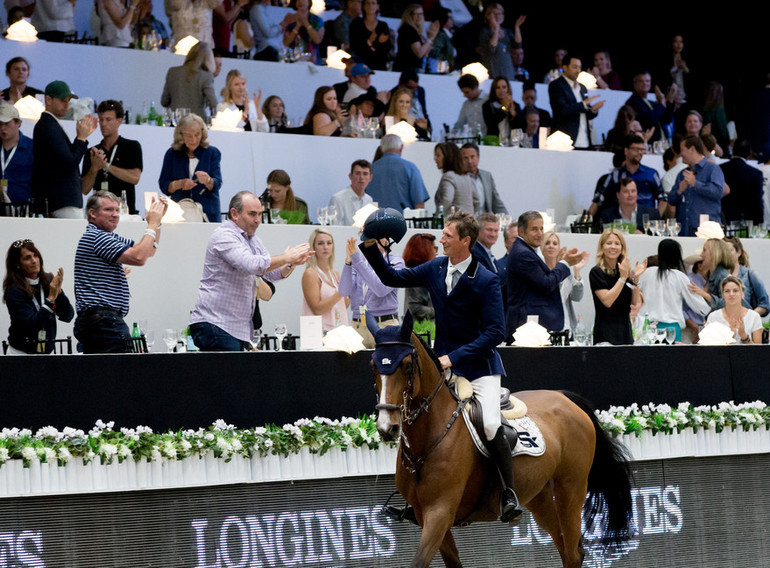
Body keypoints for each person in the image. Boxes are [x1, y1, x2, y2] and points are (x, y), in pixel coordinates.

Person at [360, 210, 521, 523]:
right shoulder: (436, 267)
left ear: (465, 240)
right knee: (419, 416)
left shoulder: (487, 280)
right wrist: (370, 246)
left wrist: (453, 357)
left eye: (448, 234)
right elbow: (392, 277)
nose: (442, 238)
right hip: (443, 366)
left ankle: (508, 493)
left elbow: (495, 333)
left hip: (480, 368)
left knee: (489, 423)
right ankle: (418, 495)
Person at [189, 191, 312, 351]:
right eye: (252, 214)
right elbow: (251, 265)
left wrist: (291, 263)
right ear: (234, 213)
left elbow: (268, 273)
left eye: (260, 214)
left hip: (234, 328)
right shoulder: (224, 235)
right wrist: (286, 257)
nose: (257, 220)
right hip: (216, 324)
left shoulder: (252, 239)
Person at [73, 191, 168, 353]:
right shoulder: (98, 237)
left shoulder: (105, 236)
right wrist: (151, 224)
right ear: (93, 213)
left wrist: (156, 224)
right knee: (120, 375)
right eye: (109, 210)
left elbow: (148, 250)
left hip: (100, 321)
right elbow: (139, 258)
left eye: (117, 210)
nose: (115, 215)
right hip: (104, 322)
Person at [507, 211, 589, 335]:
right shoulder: (523, 253)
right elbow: (546, 284)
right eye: (534, 229)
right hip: (526, 326)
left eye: (541, 229)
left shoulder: (527, 250)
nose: (540, 233)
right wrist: (565, 263)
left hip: (535, 324)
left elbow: (576, 296)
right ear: (522, 232)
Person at [31, 81, 98, 218]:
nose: (67, 105)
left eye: (68, 101)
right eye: (63, 100)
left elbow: (65, 160)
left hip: (61, 199)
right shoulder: (49, 125)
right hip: (63, 200)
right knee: (74, 238)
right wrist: (81, 139)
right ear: (48, 100)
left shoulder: (50, 124)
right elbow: (69, 163)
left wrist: (80, 139)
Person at [3, 239, 73, 354]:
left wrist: (59, 293)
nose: (34, 261)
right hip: (21, 354)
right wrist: (50, 300)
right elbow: (31, 326)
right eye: (27, 258)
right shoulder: (14, 290)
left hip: (46, 354)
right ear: (17, 264)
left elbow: (68, 316)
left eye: (36, 256)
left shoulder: (48, 281)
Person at [637, 239, 710, 342]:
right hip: (672, 330)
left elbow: (635, 294)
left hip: (649, 328)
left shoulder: (646, 273)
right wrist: (707, 306)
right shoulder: (679, 277)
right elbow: (700, 306)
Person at [81, 100, 143, 215]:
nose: (103, 124)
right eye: (101, 119)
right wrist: (94, 168)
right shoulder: (92, 152)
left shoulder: (132, 146)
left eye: (108, 119)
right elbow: (84, 190)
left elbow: (135, 178)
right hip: (98, 213)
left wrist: (106, 166)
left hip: (124, 212)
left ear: (119, 121)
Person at [158, 113, 222, 223]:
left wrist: (208, 180)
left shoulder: (212, 153)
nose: (193, 140)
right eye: (189, 136)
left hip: (207, 214)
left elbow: (217, 183)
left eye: (197, 135)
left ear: (203, 133)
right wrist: (179, 184)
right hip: (180, 215)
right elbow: (164, 185)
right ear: (181, 135)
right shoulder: (172, 154)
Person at [340, 235, 402, 348]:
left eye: (379, 235)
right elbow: (344, 291)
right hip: (358, 326)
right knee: (357, 365)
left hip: (385, 325)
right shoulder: (359, 262)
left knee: (386, 364)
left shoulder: (395, 262)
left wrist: (357, 260)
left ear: (386, 240)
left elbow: (380, 289)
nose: (375, 240)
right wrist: (349, 262)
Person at [589, 228, 643, 345]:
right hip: (605, 335)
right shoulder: (596, 272)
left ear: (622, 248)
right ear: (602, 247)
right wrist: (622, 278)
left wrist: (635, 279)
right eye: (609, 243)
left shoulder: (624, 271)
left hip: (625, 333)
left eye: (617, 244)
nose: (613, 247)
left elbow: (634, 302)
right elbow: (607, 301)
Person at [667, 135, 725, 237]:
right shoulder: (682, 174)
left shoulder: (713, 169)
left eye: (682, 150)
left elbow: (718, 192)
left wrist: (695, 184)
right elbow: (671, 200)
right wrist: (679, 191)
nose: (680, 154)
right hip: (684, 231)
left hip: (707, 232)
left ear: (692, 149)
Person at [548, 53, 604, 148]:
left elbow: (586, 112)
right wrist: (583, 105)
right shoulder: (556, 85)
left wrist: (593, 110)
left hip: (585, 141)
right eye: (574, 67)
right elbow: (561, 110)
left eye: (580, 67)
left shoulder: (582, 88)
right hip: (565, 142)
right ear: (565, 67)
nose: (578, 71)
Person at [365, 134, 429, 213]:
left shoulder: (370, 170)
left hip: (376, 220)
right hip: (403, 221)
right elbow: (419, 203)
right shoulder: (410, 168)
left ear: (381, 148)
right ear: (401, 147)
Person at [709, 236, 770, 317]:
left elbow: (765, 304)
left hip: (746, 325)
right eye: (724, 251)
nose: (727, 254)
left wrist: (749, 317)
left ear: (739, 252)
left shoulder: (750, 275)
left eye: (730, 250)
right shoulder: (718, 275)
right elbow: (712, 302)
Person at [541, 231, 588, 335]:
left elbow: (577, 296)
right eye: (547, 243)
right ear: (541, 247)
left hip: (566, 329)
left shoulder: (564, 271)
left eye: (555, 243)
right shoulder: (538, 272)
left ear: (558, 249)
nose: (551, 246)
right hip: (543, 329)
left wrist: (577, 271)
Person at [302, 228, 349, 332]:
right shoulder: (310, 273)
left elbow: (343, 305)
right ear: (313, 247)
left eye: (329, 243)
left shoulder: (334, 273)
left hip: (339, 330)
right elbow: (317, 309)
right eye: (320, 243)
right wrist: (341, 292)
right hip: (320, 334)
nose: (325, 247)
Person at [160, 41, 218, 120]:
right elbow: (213, 103)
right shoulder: (206, 76)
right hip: (197, 123)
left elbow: (164, 101)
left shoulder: (173, 72)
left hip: (176, 122)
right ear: (209, 59)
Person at [705, 275, 762, 344]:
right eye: (727, 291)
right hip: (722, 355)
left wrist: (744, 337)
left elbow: (758, 351)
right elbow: (708, 349)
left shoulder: (754, 317)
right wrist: (730, 337)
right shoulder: (713, 317)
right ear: (723, 294)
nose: (731, 294)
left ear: (742, 293)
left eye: (735, 291)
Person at [400, 232, 436, 340]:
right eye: (434, 248)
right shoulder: (418, 277)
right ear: (425, 251)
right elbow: (415, 308)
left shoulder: (419, 274)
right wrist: (440, 309)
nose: (436, 252)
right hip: (421, 333)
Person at [720, 138, 764, 224]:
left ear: (733, 150)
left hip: (723, 216)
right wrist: (759, 222)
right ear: (749, 153)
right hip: (746, 219)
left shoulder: (720, 169)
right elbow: (757, 201)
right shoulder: (755, 173)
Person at [624, 70, 676, 143]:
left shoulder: (651, 103)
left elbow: (666, 120)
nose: (645, 83)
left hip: (661, 143)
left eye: (647, 81)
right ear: (635, 84)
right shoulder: (632, 101)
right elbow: (650, 119)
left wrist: (670, 101)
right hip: (646, 143)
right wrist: (661, 103)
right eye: (641, 81)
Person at [478, 3, 522, 82]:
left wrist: (517, 27)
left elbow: (517, 45)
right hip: (493, 71)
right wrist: (496, 30)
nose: (498, 16)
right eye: (495, 14)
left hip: (508, 71)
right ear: (488, 16)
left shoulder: (507, 31)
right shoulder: (485, 32)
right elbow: (492, 48)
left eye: (500, 13)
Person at [0, 103, 34, 205]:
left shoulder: (32, 147)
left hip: (23, 208)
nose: (2, 128)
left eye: (6, 123)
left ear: (18, 123)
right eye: (0, 124)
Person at [460, 142, 508, 214]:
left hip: (485, 220)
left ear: (478, 157)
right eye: (465, 158)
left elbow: (496, 201)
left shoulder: (487, 176)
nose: (470, 161)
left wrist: (507, 218)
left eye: (472, 157)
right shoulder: (459, 178)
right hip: (467, 221)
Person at [433, 142, 477, 215]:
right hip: (469, 221)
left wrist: (438, 216)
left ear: (447, 157)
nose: (435, 158)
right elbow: (476, 201)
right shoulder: (466, 176)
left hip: (455, 222)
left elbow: (447, 199)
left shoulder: (448, 176)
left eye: (438, 155)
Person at [394, 3, 438, 73]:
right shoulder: (408, 30)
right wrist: (429, 39)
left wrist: (431, 38)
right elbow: (419, 53)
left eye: (421, 14)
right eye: (416, 14)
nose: (419, 17)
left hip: (411, 70)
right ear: (409, 15)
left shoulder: (415, 32)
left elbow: (425, 54)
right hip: (406, 71)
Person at [348, 0, 392, 71]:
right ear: (364, 6)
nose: (370, 6)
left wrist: (381, 42)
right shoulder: (356, 24)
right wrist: (369, 41)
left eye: (373, 3)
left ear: (378, 6)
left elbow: (386, 48)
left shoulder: (383, 26)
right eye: (367, 3)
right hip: (361, 65)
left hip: (379, 65)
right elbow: (354, 46)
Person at [328, 159, 373, 225]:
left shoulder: (369, 200)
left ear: (370, 178)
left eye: (365, 174)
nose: (361, 177)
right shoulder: (337, 199)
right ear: (350, 176)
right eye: (358, 173)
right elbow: (335, 228)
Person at [282, 0, 324, 65]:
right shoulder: (290, 19)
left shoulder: (317, 20)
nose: (301, 2)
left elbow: (317, 40)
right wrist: (297, 26)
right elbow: (286, 42)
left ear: (309, 2)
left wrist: (306, 23)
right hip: (293, 59)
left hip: (312, 60)